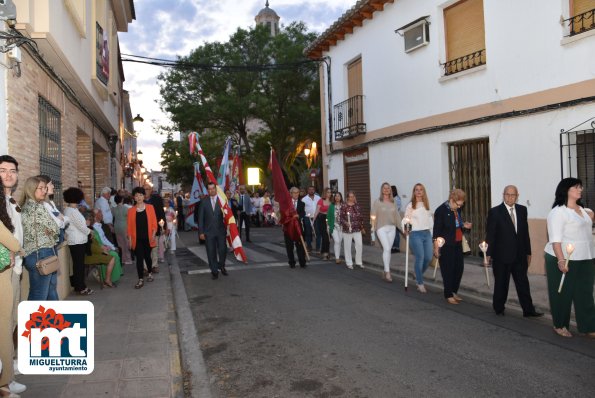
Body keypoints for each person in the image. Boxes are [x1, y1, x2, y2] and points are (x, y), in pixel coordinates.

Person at [544, 178, 595, 338]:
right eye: (576, 187)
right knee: (562, 293)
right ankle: (560, 325)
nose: (580, 190)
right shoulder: (558, 212)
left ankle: (588, 325)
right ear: (566, 190)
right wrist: (560, 260)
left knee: (585, 292)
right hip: (563, 257)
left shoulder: (583, 210)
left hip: (585, 257)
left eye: (580, 187)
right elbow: (555, 240)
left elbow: (589, 219)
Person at [486, 185, 542, 317]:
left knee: (523, 283)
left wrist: (528, 252)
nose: (510, 197)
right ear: (503, 195)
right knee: (501, 283)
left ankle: (528, 310)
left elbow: (525, 233)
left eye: (512, 195)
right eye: (507, 194)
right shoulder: (495, 212)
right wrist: (488, 254)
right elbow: (490, 235)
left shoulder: (522, 210)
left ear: (517, 196)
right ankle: (499, 308)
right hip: (501, 255)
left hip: (519, 255)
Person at [0, 156, 26, 396]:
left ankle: (8, 372)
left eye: (12, 171)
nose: (8, 175)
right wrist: (19, 248)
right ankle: (4, 383)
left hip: (14, 268)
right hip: (4, 269)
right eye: (2, 170)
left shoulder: (10, 200)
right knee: (4, 325)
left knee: (12, 322)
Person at [20, 176, 60, 300]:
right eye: (41, 188)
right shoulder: (38, 207)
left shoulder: (25, 207)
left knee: (42, 292)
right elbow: (56, 228)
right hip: (42, 254)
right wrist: (50, 231)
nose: (45, 191)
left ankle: (53, 318)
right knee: (39, 296)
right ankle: (33, 319)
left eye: (45, 188)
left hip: (32, 254)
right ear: (32, 189)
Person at [433, 189, 472, 304]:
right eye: (458, 204)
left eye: (461, 204)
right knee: (448, 270)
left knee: (459, 268)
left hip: (458, 242)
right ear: (452, 200)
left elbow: (457, 224)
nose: (460, 207)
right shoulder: (441, 211)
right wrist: (436, 247)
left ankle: (454, 291)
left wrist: (464, 225)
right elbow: (436, 231)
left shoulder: (456, 209)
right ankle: (448, 294)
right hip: (446, 245)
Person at [403, 183, 434, 293]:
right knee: (420, 257)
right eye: (416, 189)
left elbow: (430, 221)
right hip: (415, 234)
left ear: (423, 191)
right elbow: (406, 219)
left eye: (421, 189)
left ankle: (417, 273)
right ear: (414, 192)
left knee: (429, 258)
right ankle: (419, 282)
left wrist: (432, 234)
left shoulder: (427, 205)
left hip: (427, 234)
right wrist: (406, 227)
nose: (419, 191)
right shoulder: (411, 205)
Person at [63, 187, 94, 295]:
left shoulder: (72, 210)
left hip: (77, 240)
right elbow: (80, 226)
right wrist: (89, 231)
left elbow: (79, 224)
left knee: (78, 265)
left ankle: (80, 285)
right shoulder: (72, 211)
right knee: (79, 266)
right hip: (77, 241)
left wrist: (86, 225)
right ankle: (81, 287)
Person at [127, 187, 157, 289]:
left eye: (140, 195)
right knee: (139, 258)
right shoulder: (131, 211)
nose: (139, 197)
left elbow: (154, 224)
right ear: (134, 198)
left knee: (147, 257)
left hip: (148, 238)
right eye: (136, 195)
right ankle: (140, 279)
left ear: (144, 196)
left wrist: (153, 236)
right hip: (137, 239)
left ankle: (149, 272)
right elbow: (129, 228)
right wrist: (130, 241)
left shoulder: (150, 208)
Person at [372, 183, 402, 282]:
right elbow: (373, 215)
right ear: (381, 190)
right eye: (384, 188)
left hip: (392, 228)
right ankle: (388, 272)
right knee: (387, 248)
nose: (386, 189)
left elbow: (397, 217)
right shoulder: (377, 202)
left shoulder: (393, 203)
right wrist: (373, 228)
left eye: (388, 188)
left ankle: (385, 270)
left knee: (387, 250)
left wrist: (403, 229)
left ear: (390, 190)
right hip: (381, 227)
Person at [198, 182, 228, 279]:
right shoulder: (204, 201)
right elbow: (200, 218)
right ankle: (214, 271)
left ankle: (221, 265)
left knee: (223, 250)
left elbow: (228, 215)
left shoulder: (222, 200)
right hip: (208, 232)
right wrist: (201, 232)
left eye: (213, 189)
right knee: (211, 252)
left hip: (221, 231)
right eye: (209, 189)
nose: (211, 191)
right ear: (207, 190)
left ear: (216, 189)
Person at [84, 212, 118, 288]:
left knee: (111, 255)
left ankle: (107, 278)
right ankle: (107, 280)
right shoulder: (88, 230)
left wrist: (104, 248)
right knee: (111, 258)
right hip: (89, 255)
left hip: (93, 252)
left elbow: (96, 244)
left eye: (90, 219)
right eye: (88, 219)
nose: (90, 221)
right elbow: (91, 246)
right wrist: (103, 250)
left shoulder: (90, 229)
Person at [144, 184, 166, 270]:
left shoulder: (157, 199)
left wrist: (163, 227)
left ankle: (154, 265)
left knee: (154, 247)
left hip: (154, 227)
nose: (146, 191)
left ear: (151, 190)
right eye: (144, 189)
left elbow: (161, 213)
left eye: (147, 189)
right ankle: (145, 267)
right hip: (143, 228)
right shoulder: (140, 200)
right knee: (145, 249)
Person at [340, 191, 364, 270]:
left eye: (353, 196)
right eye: (350, 196)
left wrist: (362, 226)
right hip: (347, 229)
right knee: (347, 246)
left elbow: (361, 217)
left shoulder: (357, 206)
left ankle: (359, 262)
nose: (351, 198)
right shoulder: (344, 206)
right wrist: (346, 223)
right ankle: (349, 262)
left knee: (359, 245)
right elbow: (340, 218)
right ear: (347, 198)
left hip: (357, 228)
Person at [284, 187, 306, 268]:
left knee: (300, 245)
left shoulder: (302, 203)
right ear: (290, 194)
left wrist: (299, 215)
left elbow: (303, 214)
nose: (296, 194)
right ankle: (291, 262)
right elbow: (283, 214)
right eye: (294, 192)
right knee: (289, 246)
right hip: (288, 228)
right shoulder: (287, 204)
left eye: (298, 192)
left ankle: (302, 261)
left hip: (298, 228)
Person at [112, 194, 133, 266]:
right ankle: (128, 259)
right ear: (122, 200)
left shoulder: (113, 209)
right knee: (126, 243)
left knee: (120, 243)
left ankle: (123, 259)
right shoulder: (126, 209)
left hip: (116, 226)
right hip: (124, 226)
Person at [313, 188, 332, 260]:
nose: (329, 194)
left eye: (330, 192)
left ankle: (326, 252)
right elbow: (317, 211)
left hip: (330, 219)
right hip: (322, 219)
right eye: (328, 192)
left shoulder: (331, 201)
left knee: (328, 237)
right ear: (325, 193)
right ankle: (325, 253)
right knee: (325, 237)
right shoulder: (321, 201)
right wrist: (313, 220)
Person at [301, 186, 321, 252]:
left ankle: (318, 248)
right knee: (308, 232)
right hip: (307, 217)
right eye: (310, 189)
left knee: (318, 232)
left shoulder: (318, 198)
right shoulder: (304, 199)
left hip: (316, 217)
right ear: (307, 191)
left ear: (314, 190)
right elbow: (302, 209)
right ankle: (309, 247)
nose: (311, 191)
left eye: (312, 189)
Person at [327, 192, 344, 264]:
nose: (337, 197)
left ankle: (338, 257)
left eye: (338, 196)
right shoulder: (331, 206)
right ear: (334, 198)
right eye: (336, 196)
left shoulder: (344, 206)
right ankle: (337, 258)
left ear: (341, 197)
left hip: (342, 227)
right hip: (333, 226)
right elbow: (328, 216)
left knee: (339, 242)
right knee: (337, 241)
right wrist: (328, 225)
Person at [391, 185, 402, 253]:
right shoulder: (390, 198)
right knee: (392, 234)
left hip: (395, 218)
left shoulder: (397, 199)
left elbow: (396, 209)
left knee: (396, 234)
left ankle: (396, 248)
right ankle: (393, 247)